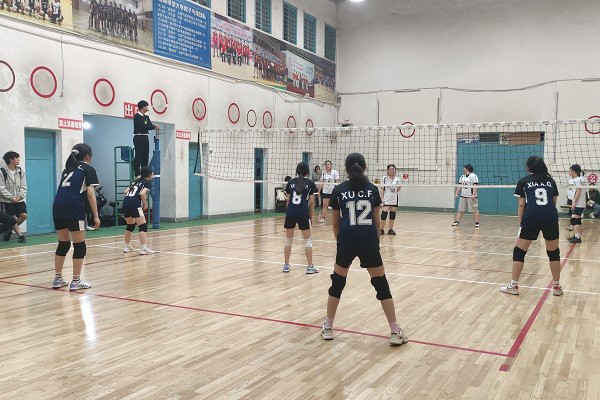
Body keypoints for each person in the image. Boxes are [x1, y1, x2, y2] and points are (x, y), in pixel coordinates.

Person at [321, 153, 408, 346]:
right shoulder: (373, 190)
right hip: (368, 241)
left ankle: (328, 327)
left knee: (337, 283)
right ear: (365, 167)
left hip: (346, 240)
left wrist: (341, 243)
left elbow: (334, 224)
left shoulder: (339, 190)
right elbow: (377, 223)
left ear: (346, 169)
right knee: (381, 284)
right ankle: (395, 331)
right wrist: (375, 244)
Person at [500, 156, 562, 296]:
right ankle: (557, 287)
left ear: (529, 167)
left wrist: (521, 223)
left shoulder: (524, 181)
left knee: (519, 251)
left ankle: (513, 286)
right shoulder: (551, 181)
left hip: (531, 216)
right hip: (550, 216)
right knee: (553, 252)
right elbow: (553, 202)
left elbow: (522, 204)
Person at [52, 144, 100, 291]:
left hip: (58, 205)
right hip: (73, 207)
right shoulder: (88, 169)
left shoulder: (67, 169)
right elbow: (90, 194)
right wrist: (96, 216)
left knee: (63, 243)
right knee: (79, 245)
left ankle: (58, 279)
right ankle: (76, 281)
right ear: (88, 156)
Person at [282, 162, 318, 274]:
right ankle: (310, 267)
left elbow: (287, 201)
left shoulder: (290, 183)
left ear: (296, 171)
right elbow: (311, 202)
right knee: (308, 241)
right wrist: (311, 216)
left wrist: (288, 213)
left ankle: (286, 266)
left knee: (288, 240)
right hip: (303, 212)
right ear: (307, 171)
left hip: (291, 212)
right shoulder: (310, 183)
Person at [123, 166, 154, 255]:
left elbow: (125, 192)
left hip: (126, 203)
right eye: (152, 173)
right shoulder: (147, 182)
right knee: (143, 226)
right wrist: (145, 204)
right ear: (149, 174)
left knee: (130, 225)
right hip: (134, 204)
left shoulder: (135, 181)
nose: (153, 174)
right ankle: (143, 248)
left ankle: (127, 246)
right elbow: (142, 194)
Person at [0, 151, 27, 243]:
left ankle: (8, 229)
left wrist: (19, 196)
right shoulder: (2, 172)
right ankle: (20, 235)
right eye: (17, 158)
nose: (18, 160)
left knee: (24, 215)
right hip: (6, 200)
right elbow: (2, 188)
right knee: (12, 218)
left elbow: (23, 185)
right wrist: (11, 197)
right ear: (11, 160)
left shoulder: (20, 171)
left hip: (19, 199)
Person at [133, 100, 159, 177]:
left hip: (145, 137)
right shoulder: (137, 116)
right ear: (143, 107)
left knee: (145, 156)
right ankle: (137, 174)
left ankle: (144, 173)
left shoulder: (146, 117)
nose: (147, 108)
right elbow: (143, 126)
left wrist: (154, 126)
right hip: (139, 137)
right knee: (139, 156)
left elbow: (150, 125)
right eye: (146, 106)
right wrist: (152, 127)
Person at [452, 164, 480, 228]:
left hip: (471, 196)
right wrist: (456, 193)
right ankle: (457, 221)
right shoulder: (462, 176)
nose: (463, 169)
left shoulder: (473, 176)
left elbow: (475, 186)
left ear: (467, 169)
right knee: (460, 210)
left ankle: (477, 222)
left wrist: (473, 195)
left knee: (474, 210)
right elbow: (460, 186)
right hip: (463, 196)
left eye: (464, 168)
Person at [380, 164, 401, 235]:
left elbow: (398, 190)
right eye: (390, 169)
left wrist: (399, 187)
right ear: (388, 171)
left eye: (393, 169)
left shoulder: (397, 179)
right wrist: (382, 199)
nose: (392, 170)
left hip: (394, 200)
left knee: (392, 215)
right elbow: (382, 189)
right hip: (386, 200)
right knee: (384, 215)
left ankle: (390, 229)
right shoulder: (384, 178)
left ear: (395, 170)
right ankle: (381, 229)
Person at [568, 164, 587, 244]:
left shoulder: (578, 179)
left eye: (570, 170)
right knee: (578, 220)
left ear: (573, 171)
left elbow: (578, 192)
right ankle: (577, 236)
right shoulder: (579, 179)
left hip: (579, 203)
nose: (569, 172)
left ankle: (577, 237)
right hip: (580, 203)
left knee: (574, 220)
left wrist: (574, 203)